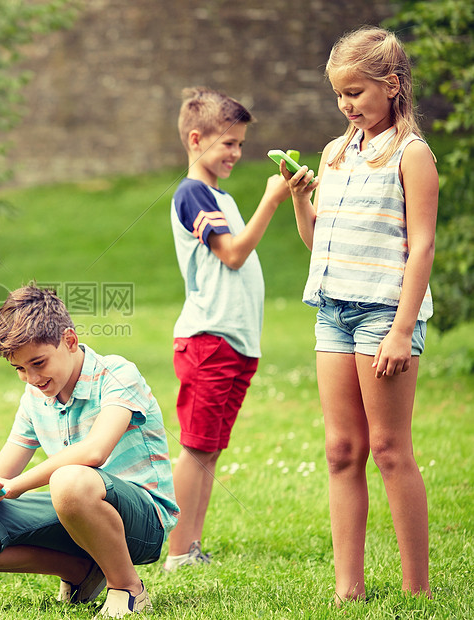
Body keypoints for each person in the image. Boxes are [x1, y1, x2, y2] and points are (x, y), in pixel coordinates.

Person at [283, 27, 436, 603]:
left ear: (391, 86)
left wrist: (401, 330)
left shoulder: (411, 154)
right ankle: (350, 590)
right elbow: (316, 239)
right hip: (333, 310)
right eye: (339, 95)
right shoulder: (336, 151)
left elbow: (421, 247)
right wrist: (301, 197)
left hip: (384, 316)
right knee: (341, 449)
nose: (347, 105)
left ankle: (416, 591)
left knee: (391, 450)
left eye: (356, 92)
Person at [0, 285, 179, 618]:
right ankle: (80, 573)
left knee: (69, 480)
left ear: (70, 341)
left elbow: (94, 452)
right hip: (73, 510)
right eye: (20, 369)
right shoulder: (36, 396)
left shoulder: (117, 374)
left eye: (38, 363)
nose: (31, 378)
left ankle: (128, 588)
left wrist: (16, 486)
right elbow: (5, 473)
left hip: (142, 522)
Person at [162, 87, 292, 572]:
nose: (236, 153)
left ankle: (190, 548)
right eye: (228, 144)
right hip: (208, 339)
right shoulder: (191, 192)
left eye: (240, 144)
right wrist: (272, 200)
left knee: (210, 449)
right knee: (196, 447)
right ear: (196, 140)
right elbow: (232, 253)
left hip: (235, 342)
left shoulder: (219, 195)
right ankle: (177, 550)